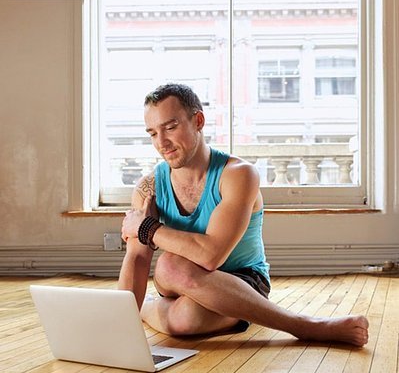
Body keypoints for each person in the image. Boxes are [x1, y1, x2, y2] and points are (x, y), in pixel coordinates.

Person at [118, 83, 369, 347]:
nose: (162, 143)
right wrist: (120, 324)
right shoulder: (149, 187)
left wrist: (147, 228)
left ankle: (303, 326)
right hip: (177, 282)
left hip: (244, 282)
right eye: (152, 133)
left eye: (170, 128)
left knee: (185, 316)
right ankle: (307, 327)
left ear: (198, 121)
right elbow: (136, 258)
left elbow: (211, 256)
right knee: (169, 268)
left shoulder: (238, 175)